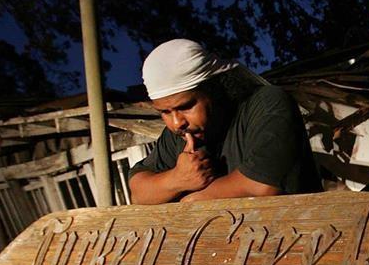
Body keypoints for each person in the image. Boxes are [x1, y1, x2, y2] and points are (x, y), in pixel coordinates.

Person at [128, 39, 322, 204]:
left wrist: (192, 199)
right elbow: (138, 192)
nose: (177, 122)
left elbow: (263, 186)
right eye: (165, 112)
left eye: (186, 106)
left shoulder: (267, 103)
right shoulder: (178, 135)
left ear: (214, 90)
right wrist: (177, 179)